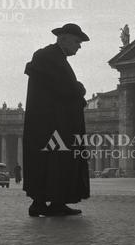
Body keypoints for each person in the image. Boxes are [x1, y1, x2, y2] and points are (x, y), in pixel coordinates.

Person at [22, 23, 90, 217]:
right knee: (55, 162)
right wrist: (80, 89)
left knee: (50, 163)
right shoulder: (49, 57)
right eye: (77, 41)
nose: (79, 46)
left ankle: (49, 202)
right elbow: (65, 88)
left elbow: (61, 87)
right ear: (63, 38)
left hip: (49, 123)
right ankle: (49, 203)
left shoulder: (51, 57)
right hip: (53, 124)